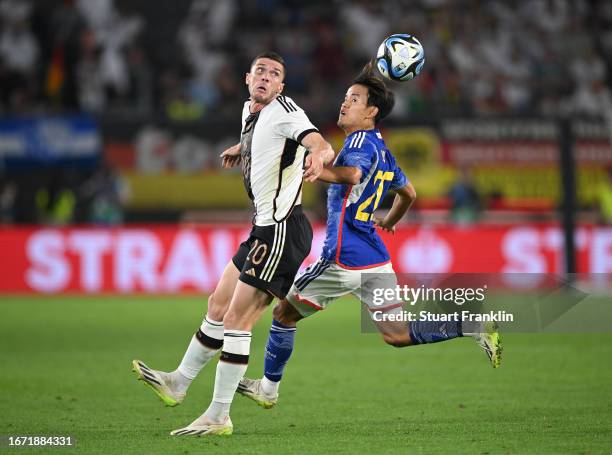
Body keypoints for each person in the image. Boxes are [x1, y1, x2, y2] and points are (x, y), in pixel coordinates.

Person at [236, 64, 502, 409]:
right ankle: (472, 325)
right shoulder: (384, 149)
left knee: (283, 315)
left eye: (355, 99)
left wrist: (320, 171)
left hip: (343, 258)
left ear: (371, 112)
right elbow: (408, 192)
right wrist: (390, 221)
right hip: (376, 259)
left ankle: (268, 390)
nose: (345, 103)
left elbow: (354, 172)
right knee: (397, 334)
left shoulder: (359, 143)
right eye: (346, 97)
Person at [132, 51, 335, 436]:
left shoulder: (287, 111)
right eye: (260, 70)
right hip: (261, 229)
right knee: (218, 304)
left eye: (274, 74)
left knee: (237, 320)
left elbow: (315, 140)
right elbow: (260, 136)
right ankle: (178, 382)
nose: (266, 77)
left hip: (282, 231)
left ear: (281, 87)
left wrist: (319, 155)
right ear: (247, 78)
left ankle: (219, 415)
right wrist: (240, 149)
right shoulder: (250, 110)